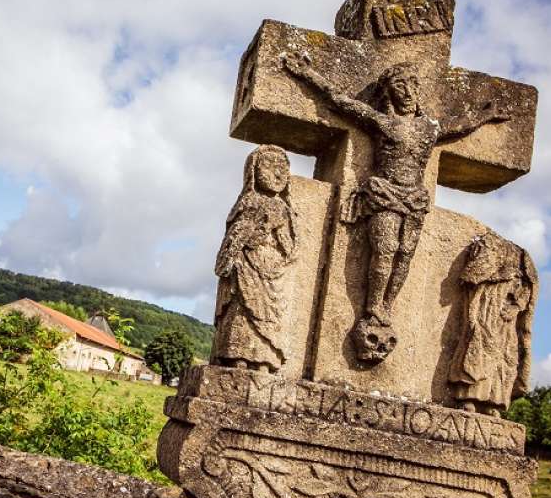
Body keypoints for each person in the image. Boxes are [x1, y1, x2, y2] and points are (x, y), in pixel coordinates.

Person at [280, 53, 508, 335]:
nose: (407, 91)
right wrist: (307, 74)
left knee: (404, 255)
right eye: (399, 86)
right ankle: (373, 306)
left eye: (412, 85)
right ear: (390, 93)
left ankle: (387, 305)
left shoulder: (429, 128)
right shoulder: (382, 122)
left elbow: (460, 125)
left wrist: (486, 114)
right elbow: (341, 102)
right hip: (384, 193)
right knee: (384, 251)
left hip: (414, 199)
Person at [211, 144, 297, 373]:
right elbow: (236, 240)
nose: (278, 174)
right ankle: (237, 356)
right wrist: (263, 225)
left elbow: (289, 246)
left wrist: (285, 247)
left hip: (274, 270)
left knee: (270, 319)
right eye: (269, 167)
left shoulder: (285, 208)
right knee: (243, 313)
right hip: (248, 266)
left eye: (283, 169)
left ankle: (265, 360)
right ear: (253, 171)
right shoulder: (249, 202)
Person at [449, 232, 536, 416]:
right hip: (487, 311)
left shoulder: (523, 264)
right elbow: (472, 276)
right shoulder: (488, 249)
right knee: (480, 349)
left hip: (507, 320)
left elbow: (527, 291)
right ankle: (469, 397)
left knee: (505, 358)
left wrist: (516, 306)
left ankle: (495, 402)